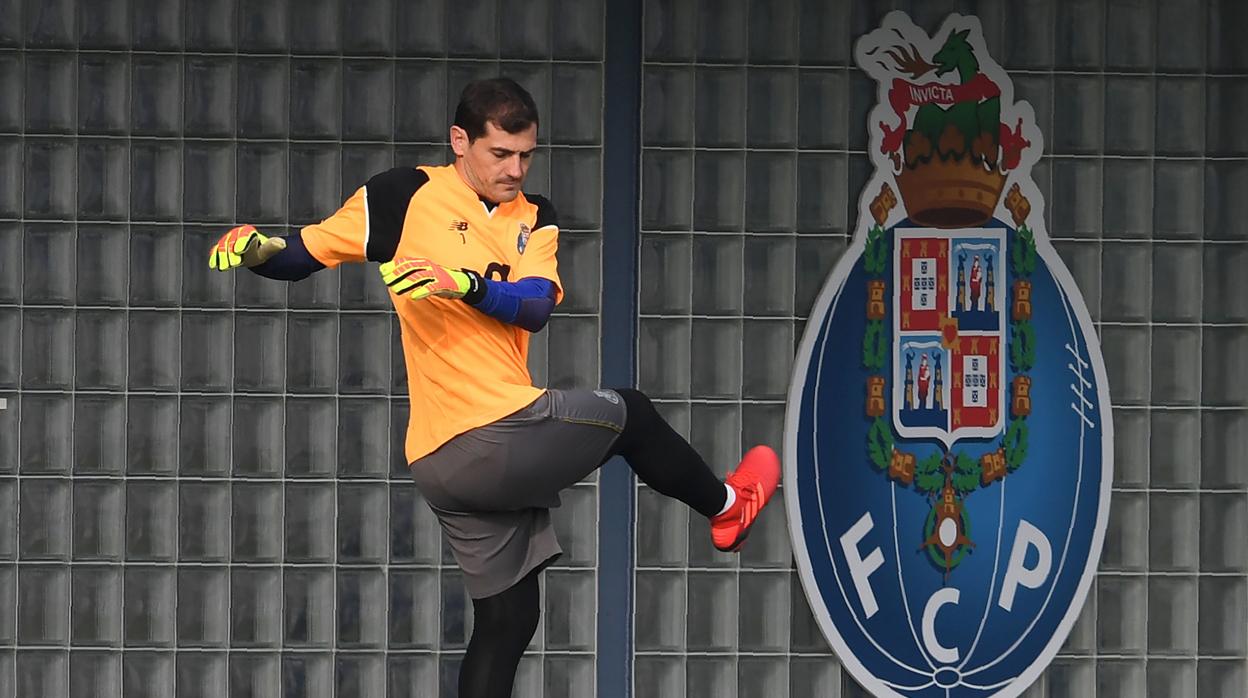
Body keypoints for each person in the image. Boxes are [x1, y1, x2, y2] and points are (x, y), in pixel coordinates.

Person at [208, 77, 780, 698]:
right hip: (486, 436)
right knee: (633, 415)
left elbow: (536, 306)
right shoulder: (403, 195)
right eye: (499, 154)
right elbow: (299, 255)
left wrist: (466, 283)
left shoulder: (534, 217)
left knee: (509, 620)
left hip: (445, 463)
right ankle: (727, 508)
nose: (514, 169)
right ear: (460, 141)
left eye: (526, 155)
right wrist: (257, 249)